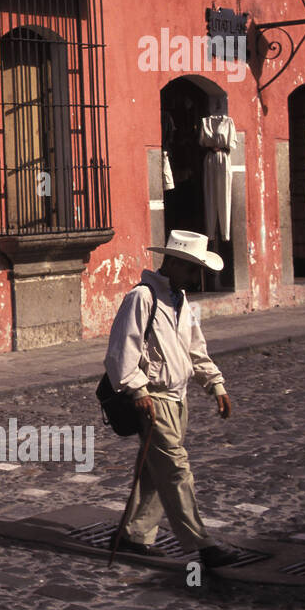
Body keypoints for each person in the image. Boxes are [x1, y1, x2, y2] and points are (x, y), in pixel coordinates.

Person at [104, 230, 241, 570]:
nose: (197, 277)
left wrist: (215, 385)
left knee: (155, 471)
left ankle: (133, 535)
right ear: (175, 263)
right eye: (193, 269)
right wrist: (137, 390)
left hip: (178, 400)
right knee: (176, 470)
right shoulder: (142, 298)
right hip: (154, 399)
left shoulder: (181, 302)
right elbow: (122, 351)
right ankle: (202, 544)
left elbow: (196, 350)